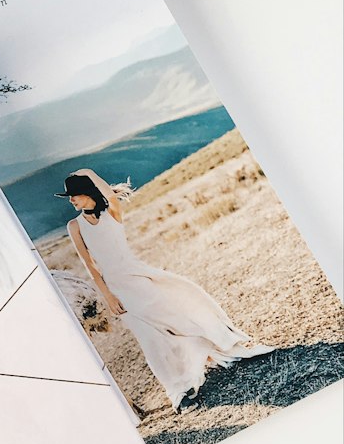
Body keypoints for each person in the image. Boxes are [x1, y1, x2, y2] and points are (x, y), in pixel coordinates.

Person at [59, 168, 272, 410]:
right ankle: (179, 392)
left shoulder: (111, 212)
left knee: (176, 319)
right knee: (150, 341)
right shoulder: (74, 226)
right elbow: (90, 265)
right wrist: (108, 295)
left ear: (87, 192)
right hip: (117, 289)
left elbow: (110, 195)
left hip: (139, 276)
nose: (71, 200)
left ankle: (211, 351)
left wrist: (88, 171)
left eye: (74, 194)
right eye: (69, 197)